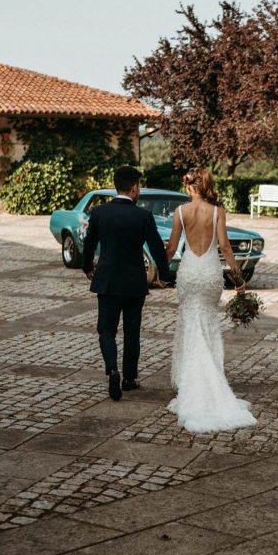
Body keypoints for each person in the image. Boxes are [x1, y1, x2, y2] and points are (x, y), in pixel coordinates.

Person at [164, 168, 258, 433]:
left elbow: (171, 249)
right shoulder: (217, 211)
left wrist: (158, 273)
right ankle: (210, 379)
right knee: (206, 323)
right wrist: (239, 279)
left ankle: (191, 384)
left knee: (189, 323)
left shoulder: (180, 212)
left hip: (190, 272)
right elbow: (225, 247)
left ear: (189, 186)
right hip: (209, 274)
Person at [82, 166, 171, 401]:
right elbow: (156, 248)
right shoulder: (143, 216)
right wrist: (164, 274)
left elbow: (89, 245)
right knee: (132, 332)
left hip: (107, 281)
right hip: (133, 283)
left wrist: (87, 267)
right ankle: (129, 379)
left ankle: (112, 368)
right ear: (134, 188)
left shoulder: (99, 213)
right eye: (139, 186)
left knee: (106, 329)